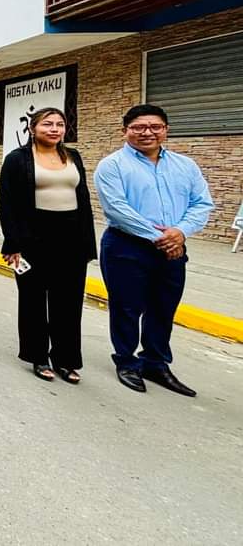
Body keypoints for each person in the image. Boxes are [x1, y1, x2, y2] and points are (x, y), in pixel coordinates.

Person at [94, 104, 213, 397]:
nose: (147, 132)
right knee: (127, 307)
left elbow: (201, 203)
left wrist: (180, 232)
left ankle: (155, 363)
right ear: (125, 131)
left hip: (174, 247)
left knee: (163, 307)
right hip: (126, 245)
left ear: (166, 130)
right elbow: (116, 208)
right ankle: (126, 362)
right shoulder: (112, 165)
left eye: (155, 127)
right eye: (138, 127)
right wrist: (162, 238)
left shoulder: (186, 166)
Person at [0, 108, 96, 384]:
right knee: (33, 299)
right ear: (32, 128)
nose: (54, 129)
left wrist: (88, 244)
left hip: (71, 237)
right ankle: (38, 356)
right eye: (47, 124)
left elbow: (84, 199)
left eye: (59, 124)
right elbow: (9, 204)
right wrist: (12, 244)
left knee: (69, 301)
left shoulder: (73, 156)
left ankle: (66, 359)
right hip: (33, 237)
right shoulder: (17, 159)